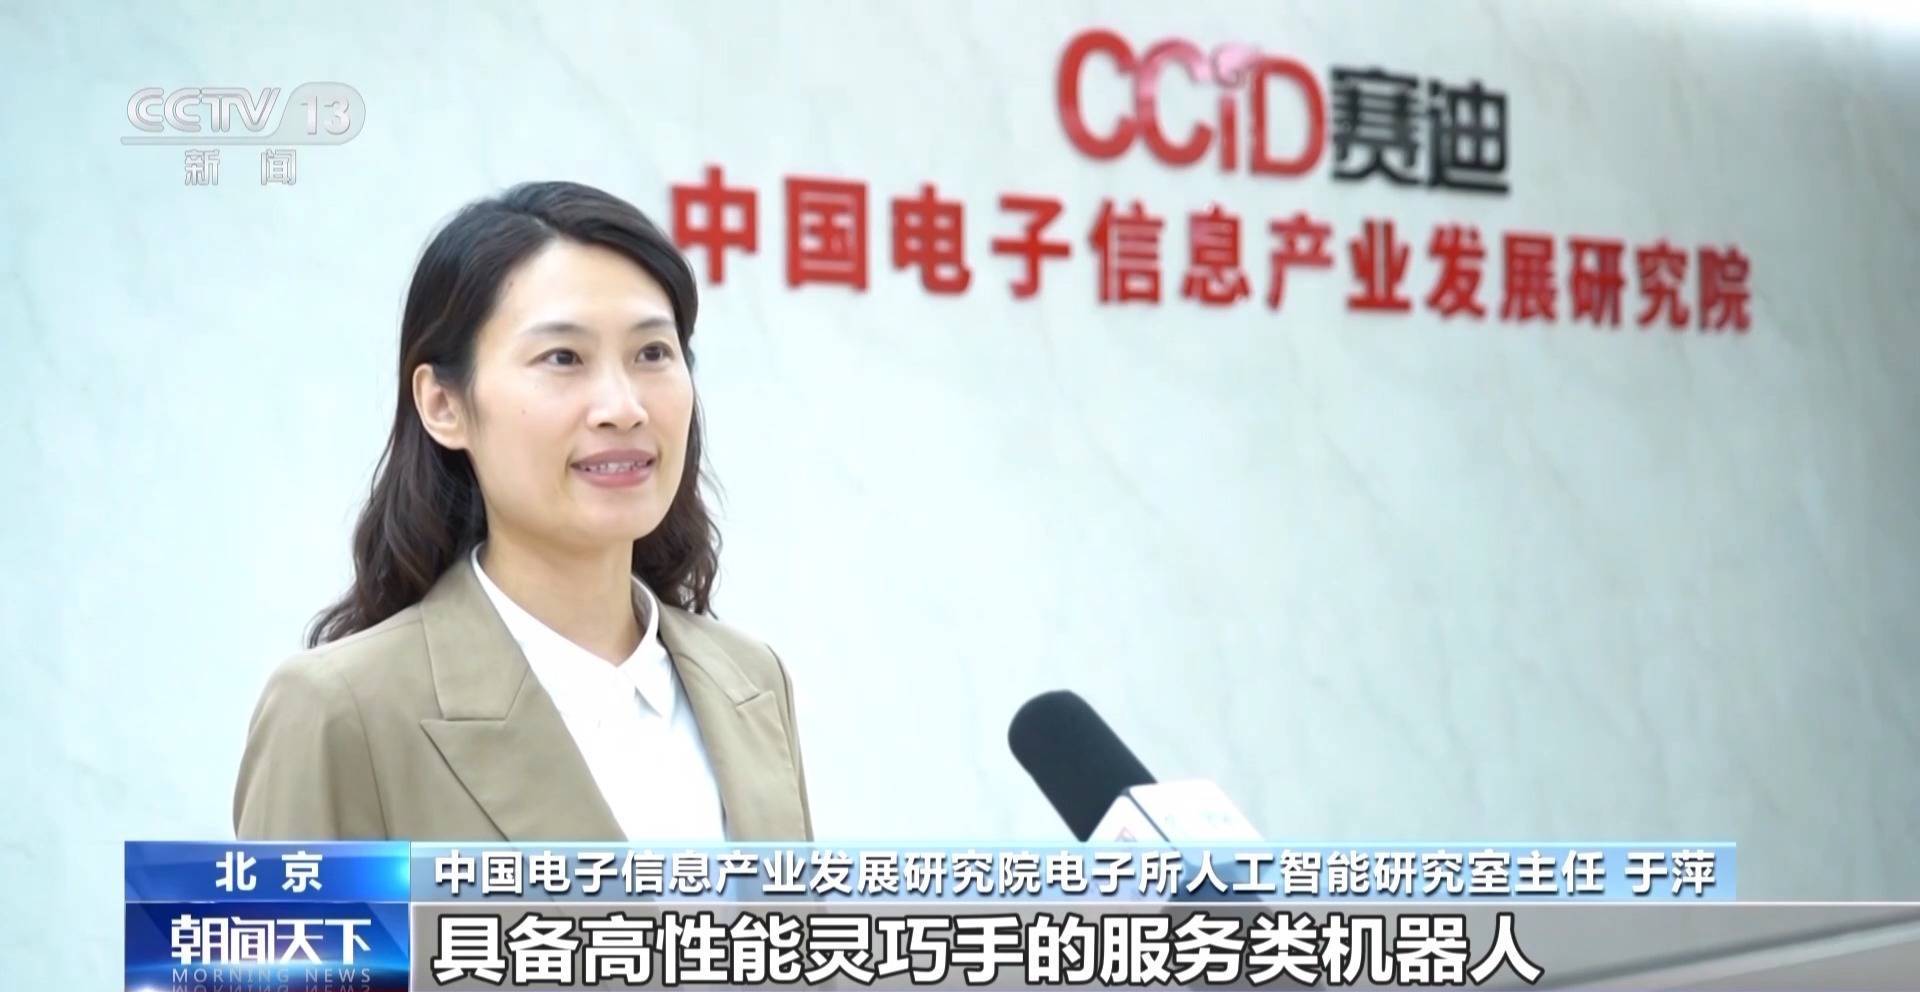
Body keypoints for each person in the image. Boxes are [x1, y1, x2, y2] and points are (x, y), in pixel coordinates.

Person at [232, 180, 811, 842]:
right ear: (444, 405)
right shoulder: (340, 711)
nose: (623, 407)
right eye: (563, 358)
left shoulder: (750, 682)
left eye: (652, 353)